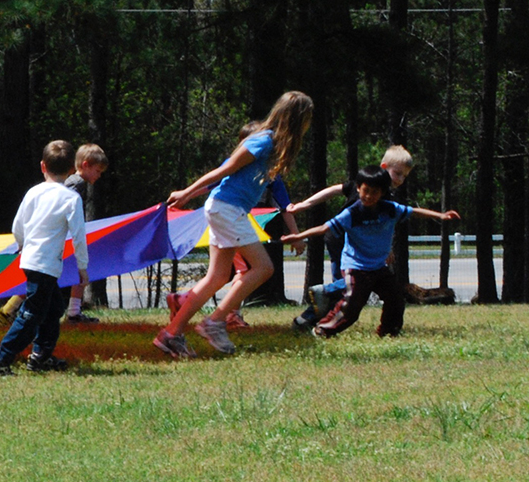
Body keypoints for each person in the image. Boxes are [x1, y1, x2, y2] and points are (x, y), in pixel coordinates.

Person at [156, 91, 313, 358]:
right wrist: (186, 192)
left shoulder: (272, 146)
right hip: (227, 209)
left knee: (217, 277)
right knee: (264, 267)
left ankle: (171, 334)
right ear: (297, 119)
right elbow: (223, 171)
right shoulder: (263, 141)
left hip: (226, 209)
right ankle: (215, 322)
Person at [280, 166, 460, 339]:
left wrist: (440, 216)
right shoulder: (352, 213)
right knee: (352, 306)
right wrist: (297, 236)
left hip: (378, 267)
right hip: (355, 266)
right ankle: (322, 329)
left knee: (395, 298)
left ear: (382, 193)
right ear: (358, 188)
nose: (369, 196)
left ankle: (389, 332)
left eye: (374, 192)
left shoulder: (390, 209)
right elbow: (322, 228)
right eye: (365, 191)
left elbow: (414, 212)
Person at [0, 141, 89, 375]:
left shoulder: (33, 192)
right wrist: (83, 266)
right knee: (32, 314)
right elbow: (79, 236)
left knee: (53, 308)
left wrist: (22, 245)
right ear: (72, 169)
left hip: (30, 259)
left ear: (42, 166)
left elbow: (17, 225)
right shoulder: (71, 198)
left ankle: (41, 356)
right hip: (46, 264)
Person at [285, 144, 416, 331]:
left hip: (347, 243)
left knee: (350, 291)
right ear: (385, 167)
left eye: (405, 176)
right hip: (343, 241)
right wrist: (304, 205)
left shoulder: (384, 195)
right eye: (398, 173)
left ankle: (305, 320)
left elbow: (381, 229)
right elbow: (333, 190)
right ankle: (326, 294)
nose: (401, 180)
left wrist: (387, 249)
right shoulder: (368, 185)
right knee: (351, 288)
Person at [63, 145, 107, 323]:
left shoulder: (75, 182)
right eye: (97, 171)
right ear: (85, 165)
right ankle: (73, 312)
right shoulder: (76, 183)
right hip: (64, 235)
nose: (99, 175)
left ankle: (74, 311)